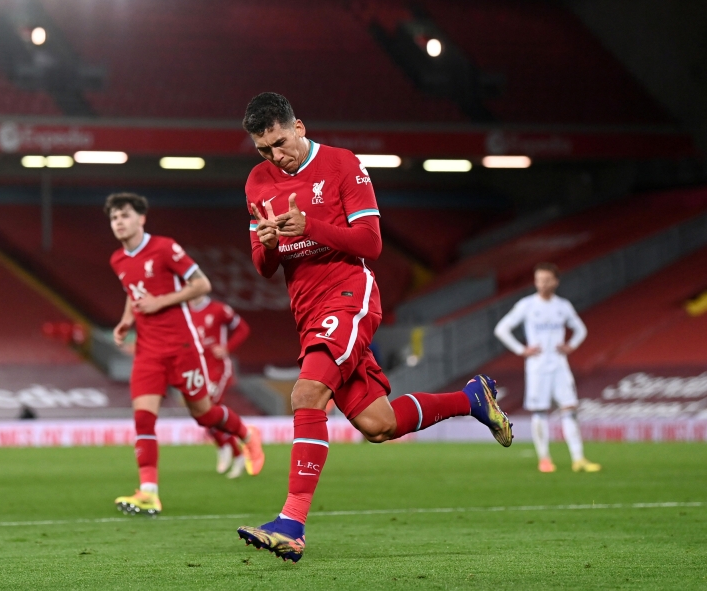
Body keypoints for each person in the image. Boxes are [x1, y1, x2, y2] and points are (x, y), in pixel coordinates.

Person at [235, 92, 513, 563]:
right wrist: (266, 244)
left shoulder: (343, 165)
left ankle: (291, 523)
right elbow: (264, 267)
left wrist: (309, 228)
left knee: (305, 395)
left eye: (280, 143)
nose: (274, 157)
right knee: (378, 424)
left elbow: (372, 243)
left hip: (348, 295)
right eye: (264, 150)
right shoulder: (257, 182)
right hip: (307, 313)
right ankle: (472, 399)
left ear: (298, 127)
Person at [106, 192, 265, 517]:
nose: (118, 222)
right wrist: (126, 320)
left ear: (141, 218)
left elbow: (201, 284)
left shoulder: (164, 247)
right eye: (113, 218)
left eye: (124, 215)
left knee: (204, 414)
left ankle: (248, 434)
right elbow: (133, 292)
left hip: (181, 346)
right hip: (148, 351)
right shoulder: (118, 260)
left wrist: (161, 301)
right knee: (143, 419)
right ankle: (149, 492)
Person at [494, 263, 601, 474]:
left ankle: (578, 459)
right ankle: (544, 459)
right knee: (540, 411)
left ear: (555, 281)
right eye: (538, 280)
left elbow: (580, 329)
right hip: (537, 367)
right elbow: (501, 329)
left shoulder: (562, 306)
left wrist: (571, 345)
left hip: (560, 365)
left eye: (546, 280)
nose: (542, 284)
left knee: (570, 408)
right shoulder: (527, 305)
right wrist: (521, 349)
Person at [188, 295, 252, 478]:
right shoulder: (185, 312)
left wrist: (227, 348)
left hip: (217, 367)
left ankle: (237, 455)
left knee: (209, 410)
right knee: (202, 414)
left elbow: (242, 328)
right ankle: (224, 446)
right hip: (198, 370)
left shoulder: (218, 309)